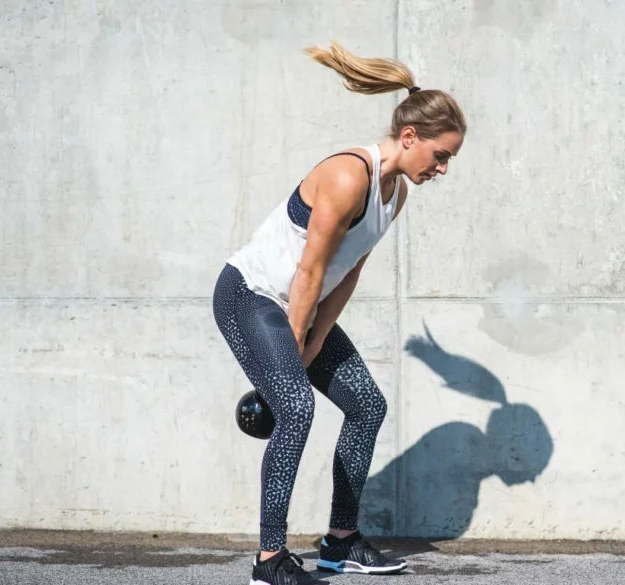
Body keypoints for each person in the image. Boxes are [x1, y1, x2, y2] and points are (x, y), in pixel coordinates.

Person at [212, 41, 466, 585]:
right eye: (440, 155)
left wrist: (316, 339)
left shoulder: (395, 194)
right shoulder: (349, 175)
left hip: (300, 307)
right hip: (251, 295)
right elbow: (308, 271)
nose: (443, 168)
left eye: (449, 160)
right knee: (296, 408)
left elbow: (347, 271)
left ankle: (341, 542)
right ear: (409, 137)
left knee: (367, 406)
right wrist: (297, 345)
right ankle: (268, 560)